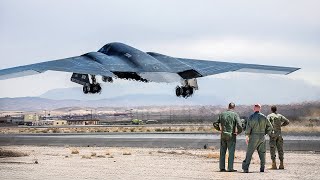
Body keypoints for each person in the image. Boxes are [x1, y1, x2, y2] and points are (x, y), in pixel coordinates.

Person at [242, 104, 273, 173]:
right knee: (262, 153)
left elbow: (248, 128)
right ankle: (262, 168)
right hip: (262, 137)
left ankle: (245, 168)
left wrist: (247, 136)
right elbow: (270, 127)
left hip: (253, 137)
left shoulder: (251, 117)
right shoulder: (264, 117)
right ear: (260, 108)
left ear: (254, 108)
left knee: (249, 153)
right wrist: (265, 133)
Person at [213, 102, 243, 172]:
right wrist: (238, 132)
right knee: (231, 152)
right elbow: (240, 125)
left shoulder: (222, 114)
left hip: (223, 135)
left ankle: (222, 167)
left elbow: (215, 123)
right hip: (231, 135)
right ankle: (230, 168)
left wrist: (219, 129)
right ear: (234, 107)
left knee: (222, 151)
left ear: (228, 107)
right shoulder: (235, 115)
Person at [267, 105, 290, 169]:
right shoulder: (280, 116)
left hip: (273, 135)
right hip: (279, 135)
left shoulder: (269, 116)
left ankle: (273, 164)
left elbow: (267, 124)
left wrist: (267, 131)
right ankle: (281, 164)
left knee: (272, 149)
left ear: (271, 110)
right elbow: (287, 121)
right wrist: (281, 125)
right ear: (276, 109)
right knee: (280, 149)